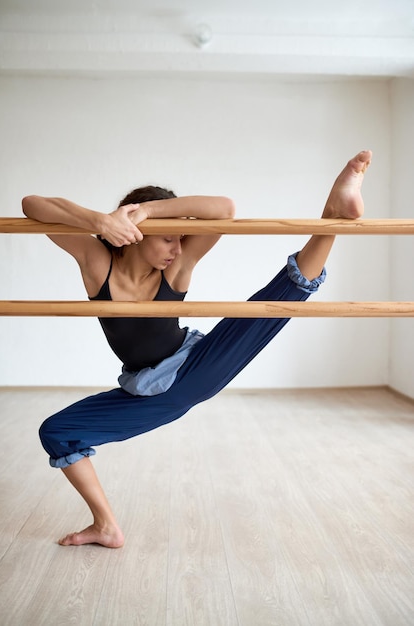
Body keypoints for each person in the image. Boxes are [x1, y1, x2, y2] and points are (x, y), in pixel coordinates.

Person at [22, 150, 372, 548]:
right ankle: (106, 526)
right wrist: (102, 221)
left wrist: (150, 210)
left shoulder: (176, 266)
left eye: (181, 239)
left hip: (195, 365)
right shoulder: (97, 263)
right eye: (168, 237)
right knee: (56, 431)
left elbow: (224, 208)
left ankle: (333, 212)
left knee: (273, 303)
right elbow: (32, 205)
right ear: (133, 233)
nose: (177, 247)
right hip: (149, 391)